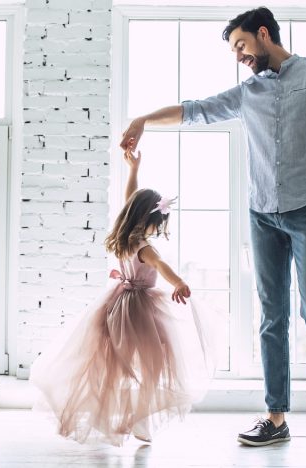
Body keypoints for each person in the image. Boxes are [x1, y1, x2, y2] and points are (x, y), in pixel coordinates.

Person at [120, 6, 306, 456]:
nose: (238, 55)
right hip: (262, 215)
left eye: (241, 45)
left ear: (263, 34)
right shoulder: (249, 92)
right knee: (271, 316)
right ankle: (276, 418)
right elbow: (196, 111)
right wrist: (144, 119)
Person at [29, 144, 213, 446]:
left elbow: (131, 199)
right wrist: (178, 281)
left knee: (117, 363)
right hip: (139, 308)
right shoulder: (145, 246)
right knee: (155, 360)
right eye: (158, 222)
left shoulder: (126, 237)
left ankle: (123, 415)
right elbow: (161, 265)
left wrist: (134, 170)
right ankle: (140, 417)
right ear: (149, 219)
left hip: (117, 303)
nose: (158, 228)